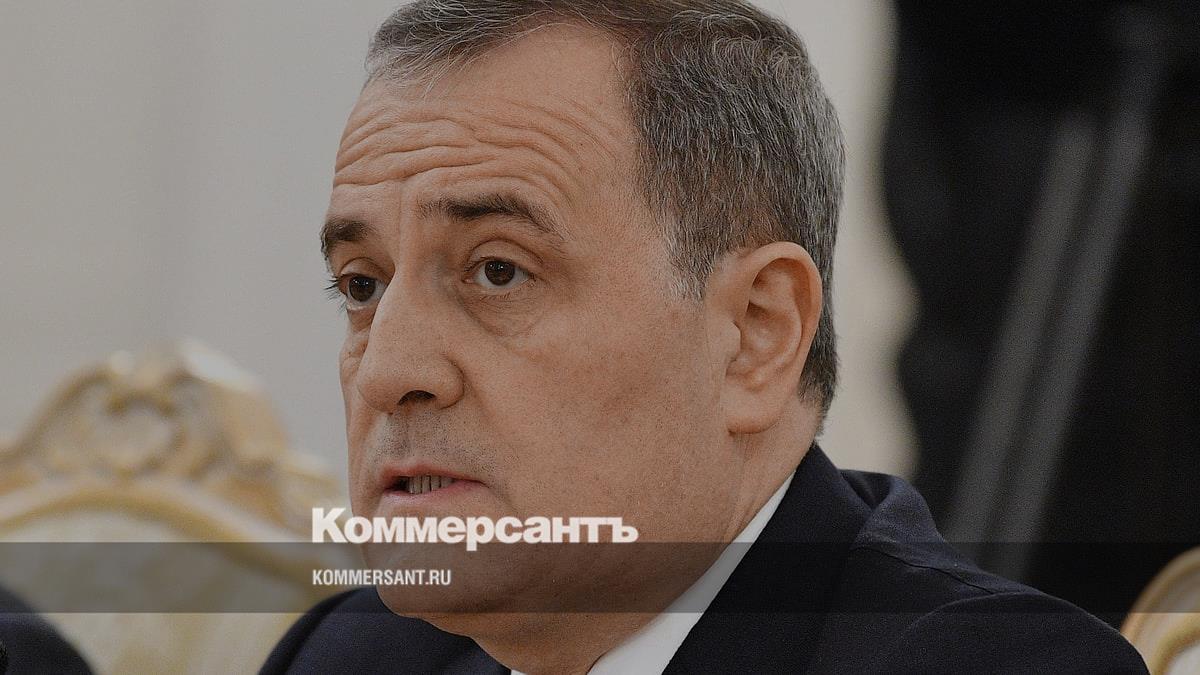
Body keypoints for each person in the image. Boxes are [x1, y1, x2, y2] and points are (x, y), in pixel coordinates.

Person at [263, 1, 1148, 672]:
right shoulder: (352, 653)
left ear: (757, 335)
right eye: (362, 285)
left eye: (498, 271)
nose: (388, 371)